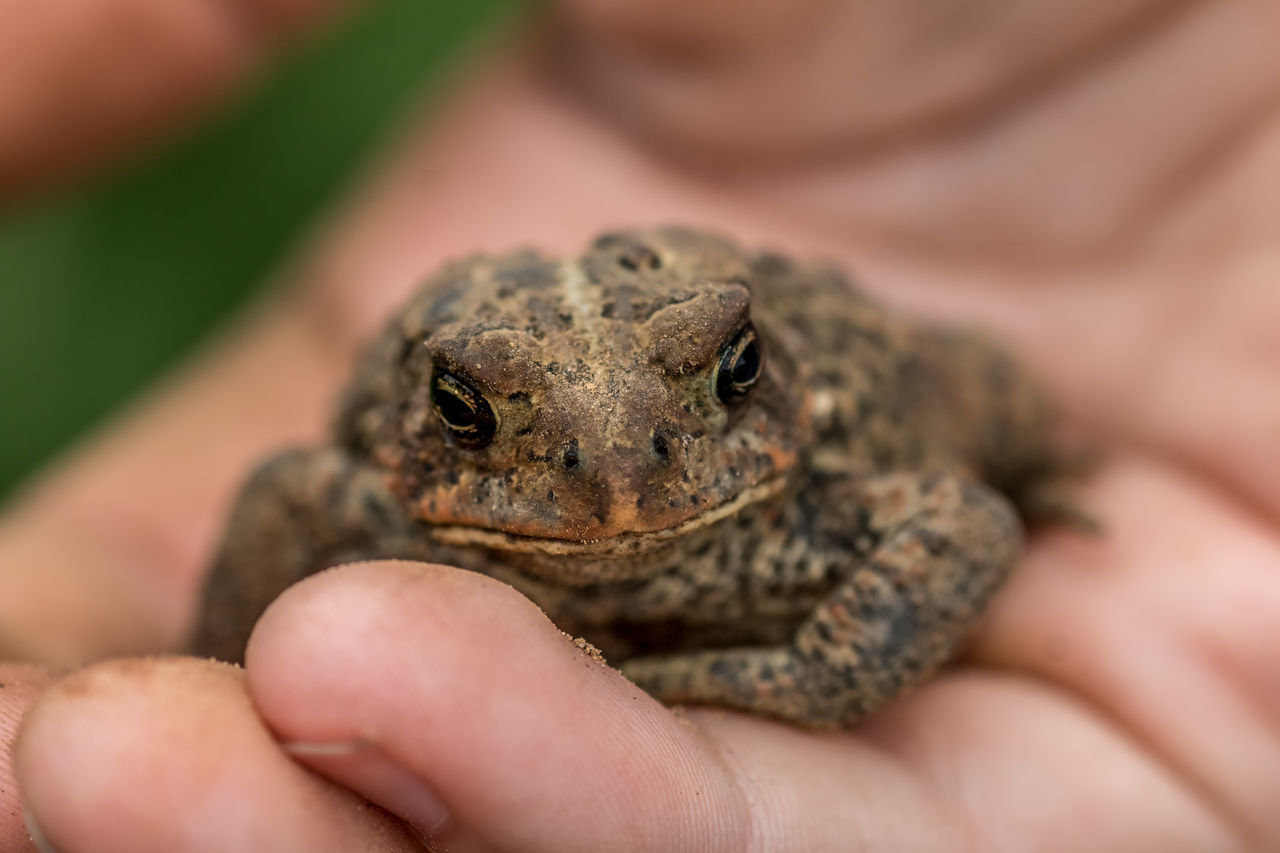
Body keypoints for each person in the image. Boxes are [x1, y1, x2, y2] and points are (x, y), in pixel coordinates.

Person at [4, 1, 1280, 849]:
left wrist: (811, 676)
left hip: (815, 400)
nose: (613, 475)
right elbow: (295, 486)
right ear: (432, 417)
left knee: (996, 391)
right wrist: (221, 655)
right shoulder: (387, 505)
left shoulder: (821, 492)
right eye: (472, 414)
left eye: (708, 386)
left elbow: (958, 516)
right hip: (486, 500)